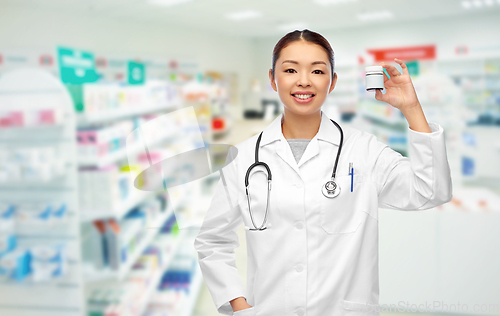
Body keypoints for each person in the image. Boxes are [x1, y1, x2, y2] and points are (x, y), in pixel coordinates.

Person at [193, 29, 452, 316]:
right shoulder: (243, 159)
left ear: (332, 81)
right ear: (272, 79)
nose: (304, 80)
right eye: (290, 69)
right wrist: (238, 305)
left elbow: (430, 191)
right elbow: (213, 240)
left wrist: (412, 109)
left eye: (317, 71)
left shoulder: (363, 150)